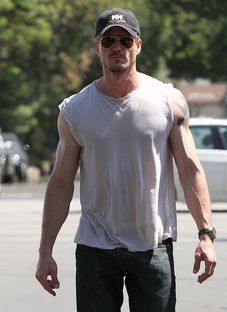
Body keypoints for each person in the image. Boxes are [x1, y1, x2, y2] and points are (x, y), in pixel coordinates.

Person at [35, 8, 217, 312]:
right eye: (108, 41)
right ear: (97, 48)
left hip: (153, 246)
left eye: (125, 39)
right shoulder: (74, 110)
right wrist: (45, 251)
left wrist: (206, 235)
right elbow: (61, 183)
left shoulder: (167, 101)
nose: (117, 46)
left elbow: (190, 170)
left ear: (138, 45)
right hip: (95, 248)